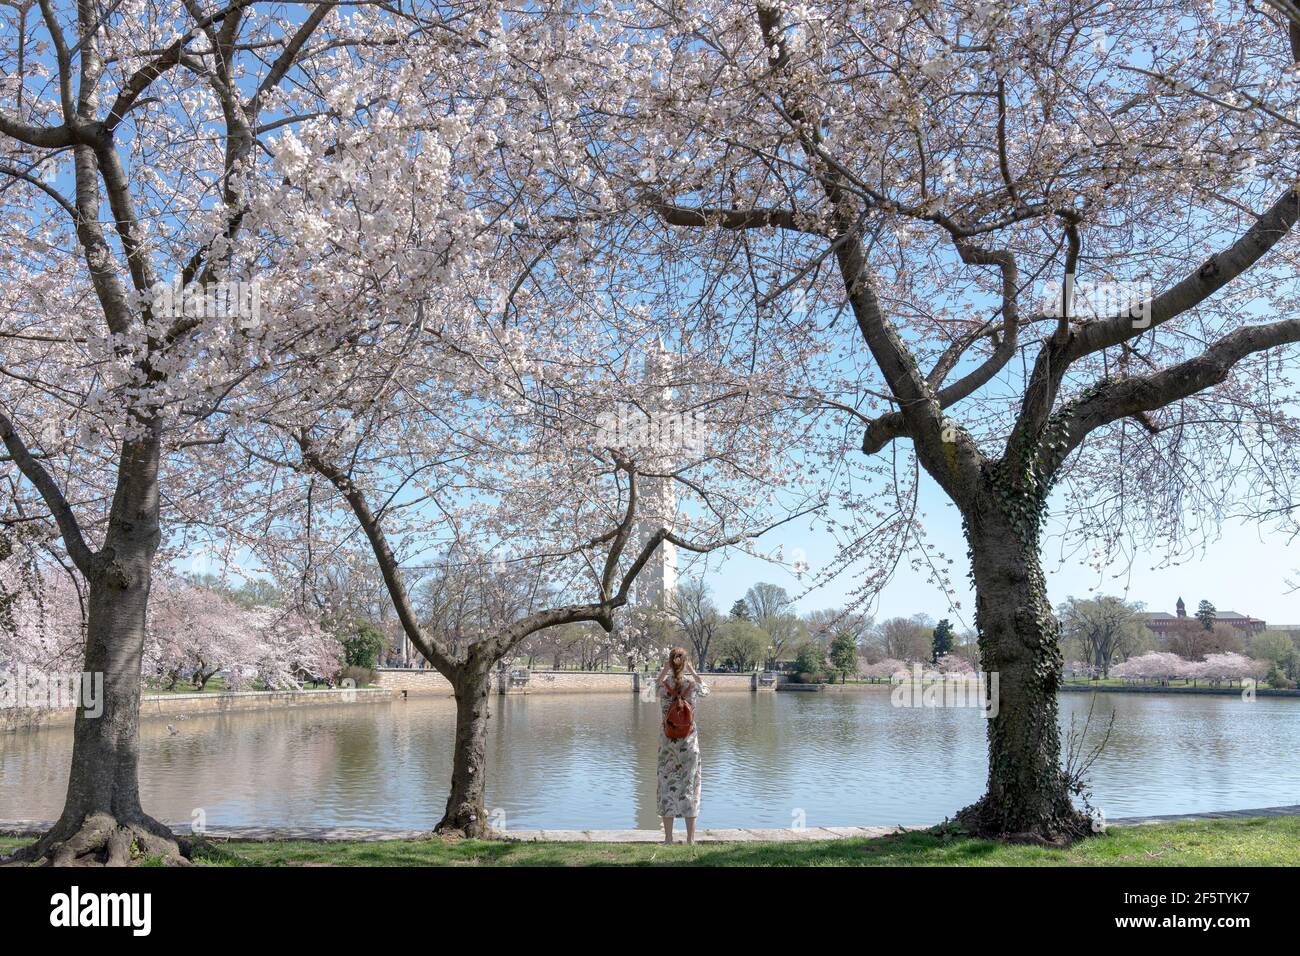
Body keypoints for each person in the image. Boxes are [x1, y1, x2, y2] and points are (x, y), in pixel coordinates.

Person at [653, 647, 709, 844]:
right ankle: (690, 839)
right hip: (689, 745)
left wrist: (664, 670)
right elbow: (706, 690)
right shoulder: (692, 685)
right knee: (690, 789)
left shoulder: (663, 686)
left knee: (667, 788)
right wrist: (693, 671)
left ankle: (668, 839)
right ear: (685, 663)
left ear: (670, 662)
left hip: (668, 746)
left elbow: (651, 689)